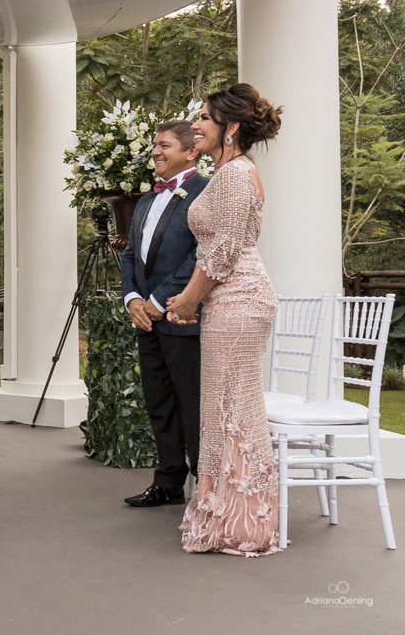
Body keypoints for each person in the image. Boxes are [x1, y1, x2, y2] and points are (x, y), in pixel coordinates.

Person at [166, 83, 283, 556]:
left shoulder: (235, 175)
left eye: (205, 119)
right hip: (226, 298)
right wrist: (190, 297)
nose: (196, 125)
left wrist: (189, 299)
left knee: (233, 407)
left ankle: (245, 524)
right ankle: (223, 510)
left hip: (239, 299)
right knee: (221, 407)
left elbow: (224, 250)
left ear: (230, 127)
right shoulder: (228, 172)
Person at [119, 121, 208, 508]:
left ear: (191, 152)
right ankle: (168, 482)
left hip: (183, 315)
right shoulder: (142, 200)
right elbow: (128, 255)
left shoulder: (205, 192)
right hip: (147, 317)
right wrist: (133, 300)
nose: (155, 151)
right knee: (159, 403)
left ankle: (205, 486)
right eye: (154, 145)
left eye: (164, 145)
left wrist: (158, 301)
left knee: (193, 405)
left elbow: (201, 255)